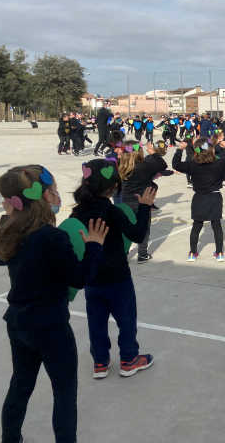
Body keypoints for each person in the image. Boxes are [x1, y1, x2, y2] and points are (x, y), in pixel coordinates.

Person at [0, 165, 108, 443]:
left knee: (20, 385)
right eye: (55, 191)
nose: (58, 197)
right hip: (51, 328)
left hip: (18, 324)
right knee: (64, 392)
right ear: (46, 196)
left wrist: (6, 218)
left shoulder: (11, 230)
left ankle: (10, 438)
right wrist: (94, 246)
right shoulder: (51, 236)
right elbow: (79, 277)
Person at [70, 160, 156, 379]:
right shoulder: (113, 212)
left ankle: (100, 362)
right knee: (126, 320)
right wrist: (145, 207)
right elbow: (137, 235)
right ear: (114, 186)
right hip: (118, 278)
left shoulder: (77, 212)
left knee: (96, 323)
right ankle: (129, 359)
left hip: (92, 278)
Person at [173, 137, 225, 262]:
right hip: (215, 197)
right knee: (217, 225)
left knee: (197, 226)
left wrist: (180, 149)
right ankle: (219, 253)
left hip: (199, 197)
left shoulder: (193, 164)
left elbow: (176, 164)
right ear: (211, 150)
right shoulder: (219, 163)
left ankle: (193, 253)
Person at [118, 141, 167, 263]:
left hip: (127, 201)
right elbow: (163, 165)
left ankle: (123, 253)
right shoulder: (145, 166)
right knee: (144, 227)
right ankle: (142, 254)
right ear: (139, 151)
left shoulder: (122, 165)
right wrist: (153, 153)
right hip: (143, 201)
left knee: (126, 228)